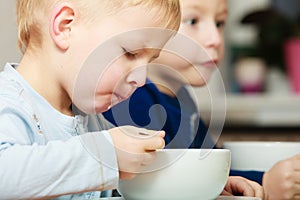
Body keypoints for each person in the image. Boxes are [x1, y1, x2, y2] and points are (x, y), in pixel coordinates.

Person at [0, 0, 182, 199]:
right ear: (65, 27)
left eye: (149, 61)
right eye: (131, 53)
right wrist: (104, 154)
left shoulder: (91, 122)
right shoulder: (8, 100)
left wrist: (196, 178)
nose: (140, 79)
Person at [103, 0, 264, 198]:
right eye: (193, 21)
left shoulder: (183, 99)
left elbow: (210, 168)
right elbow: (155, 182)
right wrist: (268, 181)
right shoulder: (130, 98)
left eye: (220, 23)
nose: (215, 39)